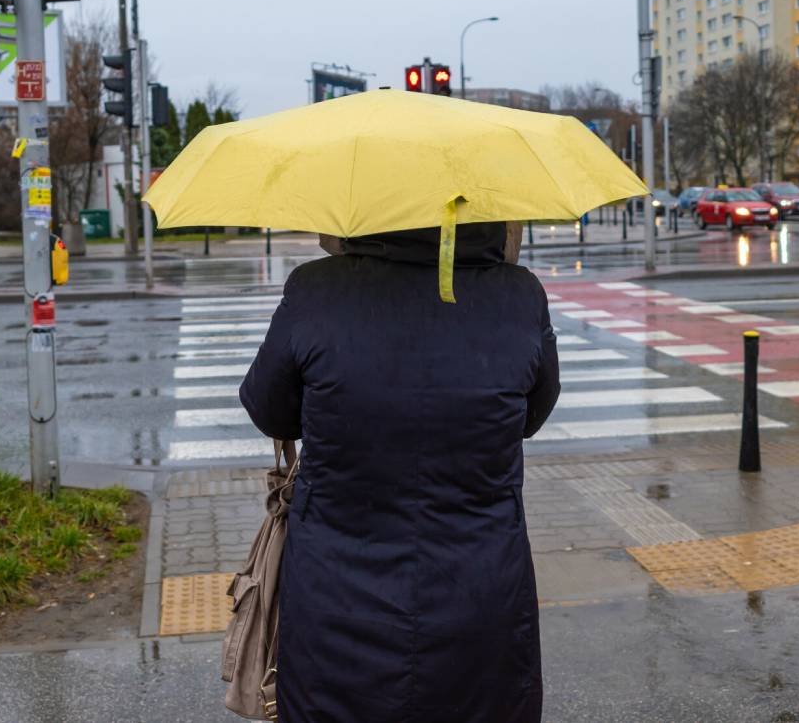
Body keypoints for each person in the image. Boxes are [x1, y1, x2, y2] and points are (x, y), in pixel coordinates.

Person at [239, 222, 561, 723]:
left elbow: (269, 412)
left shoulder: (316, 289)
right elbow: (532, 415)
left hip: (337, 590)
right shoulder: (519, 294)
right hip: (480, 585)